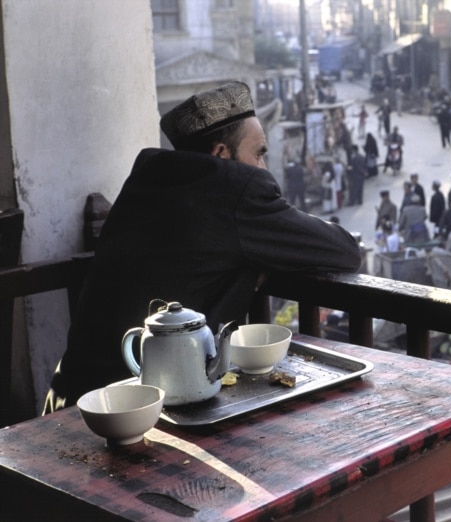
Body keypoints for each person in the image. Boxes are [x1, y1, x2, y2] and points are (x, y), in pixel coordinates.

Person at [43, 82, 361, 411]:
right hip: (139, 405)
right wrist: (257, 260)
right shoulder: (235, 188)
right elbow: (345, 251)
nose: (263, 167)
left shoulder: (148, 175)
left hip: (72, 397)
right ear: (221, 153)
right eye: (258, 154)